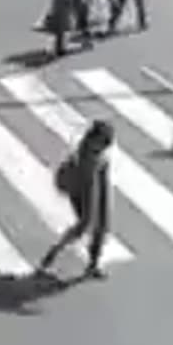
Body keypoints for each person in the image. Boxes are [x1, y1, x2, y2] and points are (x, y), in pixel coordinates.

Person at [39, 120, 114, 280]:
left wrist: (105, 201)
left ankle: (93, 263)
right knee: (85, 224)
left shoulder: (99, 154)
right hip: (81, 188)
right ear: (93, 140)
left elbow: (103, 177)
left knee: (102, 223)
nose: (106, 146)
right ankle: (55, 252)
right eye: (103, 142)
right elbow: (89, 187)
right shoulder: (86, 159)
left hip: (95, 180)